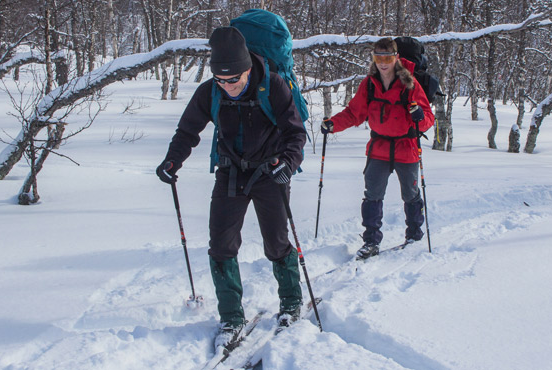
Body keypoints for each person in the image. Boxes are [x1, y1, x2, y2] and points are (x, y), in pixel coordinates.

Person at [155, 27, 306, 349]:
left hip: (270, 172)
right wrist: (172, 161)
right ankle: (231, 317)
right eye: (221, 81)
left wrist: (287, 163)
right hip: (230, 174)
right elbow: (187, 131)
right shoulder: (210, 92)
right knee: (221, 246)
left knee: (276, 242)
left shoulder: (273, 86)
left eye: (234, 80)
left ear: (248, 69)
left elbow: (295, 133)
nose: (228, 87)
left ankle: (292, 302)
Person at [320, 37, 435, 259]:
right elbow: (354, 113)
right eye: (378, 57)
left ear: (396, 58)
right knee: (372, 195)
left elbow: (427, 117)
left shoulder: (410, 84)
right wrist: (333, 124)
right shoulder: (369, 84)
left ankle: (414, 233)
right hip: (379, 147)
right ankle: (371, 241)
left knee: (410, 194)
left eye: (388, 57)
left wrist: (420, 116)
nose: (383, 63)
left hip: (406, 146)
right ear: (374, 58)